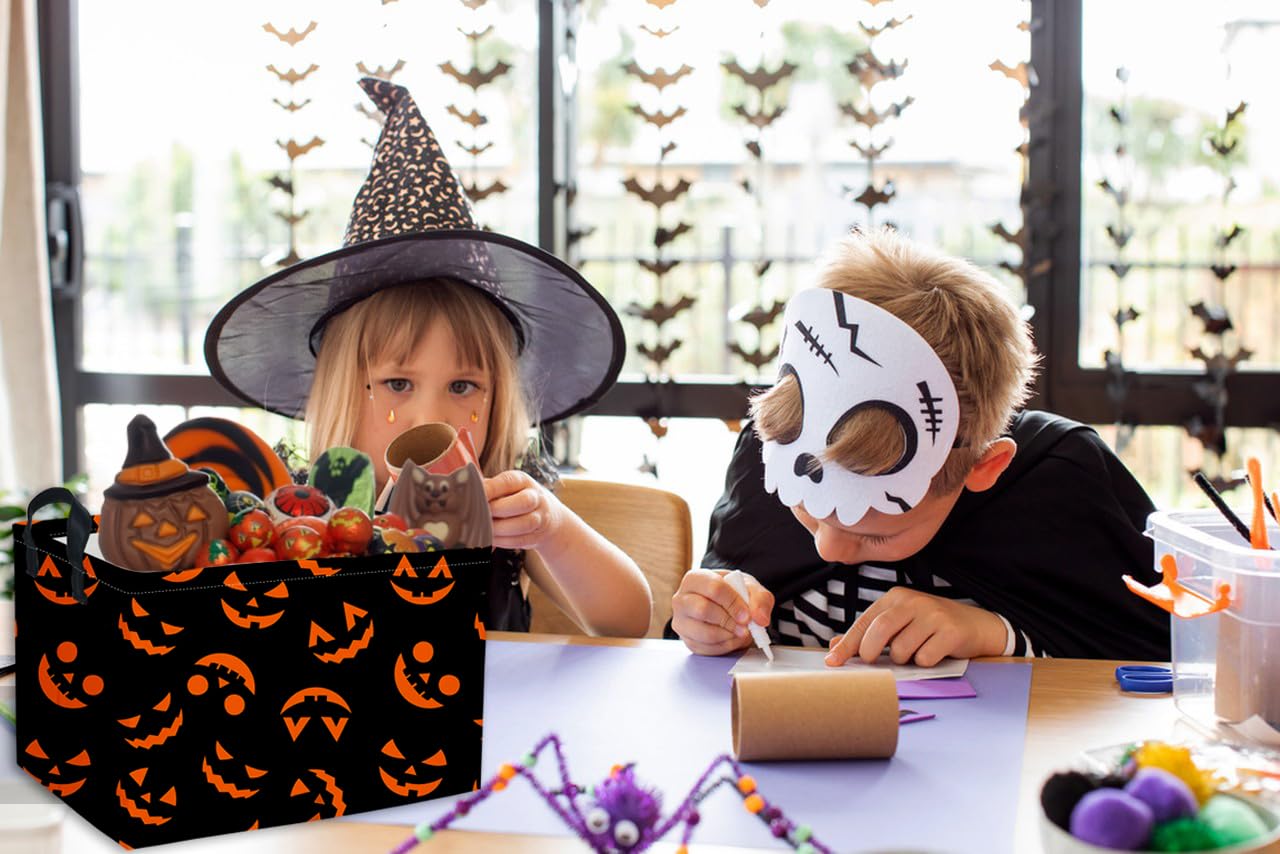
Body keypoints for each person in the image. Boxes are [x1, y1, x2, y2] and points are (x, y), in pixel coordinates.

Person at [205, 77, 651, 637]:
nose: (430, 416)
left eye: (462, 386)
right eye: (398, 383)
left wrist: (552, 530)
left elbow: (629, 622)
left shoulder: (505, 506)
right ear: (344, 387)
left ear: (498, 397)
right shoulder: (300, 510)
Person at [670, 227, 1171, 664]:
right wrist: (713, 618)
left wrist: (995, 635)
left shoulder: (1058, 481)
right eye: (808, 509)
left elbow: (1152, 655)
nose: (828, 547)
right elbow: (717, 602)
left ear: (984, 467)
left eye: (875, 536)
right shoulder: (771, 450)